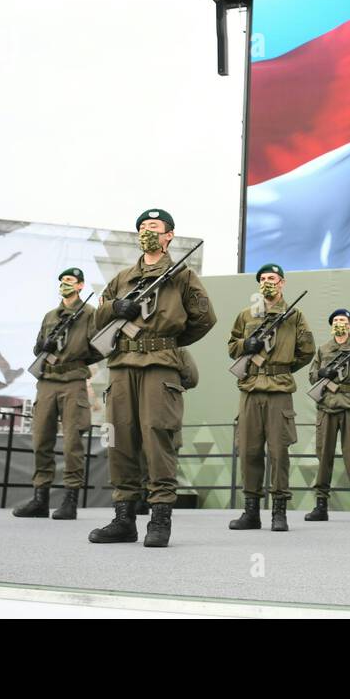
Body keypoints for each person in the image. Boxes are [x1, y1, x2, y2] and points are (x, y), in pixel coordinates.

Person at [87, 209, 216, 548]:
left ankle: (159, 518)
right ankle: (124, 519)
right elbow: (97, 318)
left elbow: (204, 318)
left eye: (154, 227)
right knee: (120, 439)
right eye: (143, 226)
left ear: (169, 235)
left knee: (159, 438)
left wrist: (167, 342)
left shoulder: (182, 276)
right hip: (122, 365)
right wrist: (116, 308)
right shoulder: (123, 278)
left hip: (159, 366)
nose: (147, 231)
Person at [227, 263, 314, 532]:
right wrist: (246, 346)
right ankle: (251, 512)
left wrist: (282, 369)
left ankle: (279, 512)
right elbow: (232, 346)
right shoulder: (245, 315)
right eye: (263, 278)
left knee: (279, 452)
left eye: (273, 278)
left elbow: (307, 350)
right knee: (249, 451)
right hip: (251, 389)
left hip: (279, 391)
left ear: (282, 283)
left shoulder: (294, 315)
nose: (268, 282)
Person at [11, 268, 99, 521]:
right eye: (62, 281)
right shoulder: (50, 315)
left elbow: (100, 347)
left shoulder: (89, 314)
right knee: (41, 439)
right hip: (47, 380)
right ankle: (40, 499)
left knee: (72, 442)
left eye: (70, 281)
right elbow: (38, 345)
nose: (64, 285)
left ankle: (70, 500)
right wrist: (43, 347)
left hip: (73, 380)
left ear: (81, 286)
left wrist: (79, 359)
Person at [305, 308, 350, 522]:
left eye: (343, 320)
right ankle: (321, 506)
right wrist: (321, 374)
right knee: (323, 455)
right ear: (331, 325)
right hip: (326, 407)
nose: (339, 323)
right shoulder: (323, 349)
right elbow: (311, 376)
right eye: (336, 320)